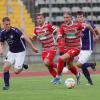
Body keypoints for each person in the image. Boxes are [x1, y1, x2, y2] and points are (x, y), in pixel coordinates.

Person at [52, 12, 97, 85]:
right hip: (68, 49)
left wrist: (95, 35)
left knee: (61, 58)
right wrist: (57, 39)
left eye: (67, 17)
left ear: (71, 18)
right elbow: (60, 35)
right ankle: (77, 75)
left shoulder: (77, 25)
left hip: (76, 48)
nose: (65, 19)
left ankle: (58, 77)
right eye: (64, 18)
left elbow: (88, 26)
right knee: (69, 66)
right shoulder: (63, 26)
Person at [0, 17, 38, 90]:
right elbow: (1, 42)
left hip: (20, 51)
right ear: (3, 25)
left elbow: (25, 38)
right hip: (11, 52)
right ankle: (7, 86)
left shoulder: (15, 30)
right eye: (6, 24)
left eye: (9, 24)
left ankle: (22, 66)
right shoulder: (2, 33)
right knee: (5, 67)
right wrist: (1, 49)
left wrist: (32, 47)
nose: (8, 25)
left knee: (16, 71)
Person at [31, 13, 58, 81]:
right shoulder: (36, 29)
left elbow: (57, 31)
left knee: (46, 62)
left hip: (51, 47)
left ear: (43, 19)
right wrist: (30, 38)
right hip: (44, 49)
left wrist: (56, 41)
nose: (39, 20)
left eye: (40, 18)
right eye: (38, 18)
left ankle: (59, 66)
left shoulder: (48, 26)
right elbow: (33, 38)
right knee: (47, 65)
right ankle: (57, 78)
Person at [76, 11, 99, 85]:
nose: (79, 18)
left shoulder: (87, 23)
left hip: (88, 48)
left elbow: (96, 29)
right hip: (81, 48)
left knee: (79, 64)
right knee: (82, 66)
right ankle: (90, 82)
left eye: (81, 16)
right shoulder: (77, 25)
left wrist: (96, 36)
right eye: (78, 17)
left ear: (83, 17)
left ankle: (91, 64)